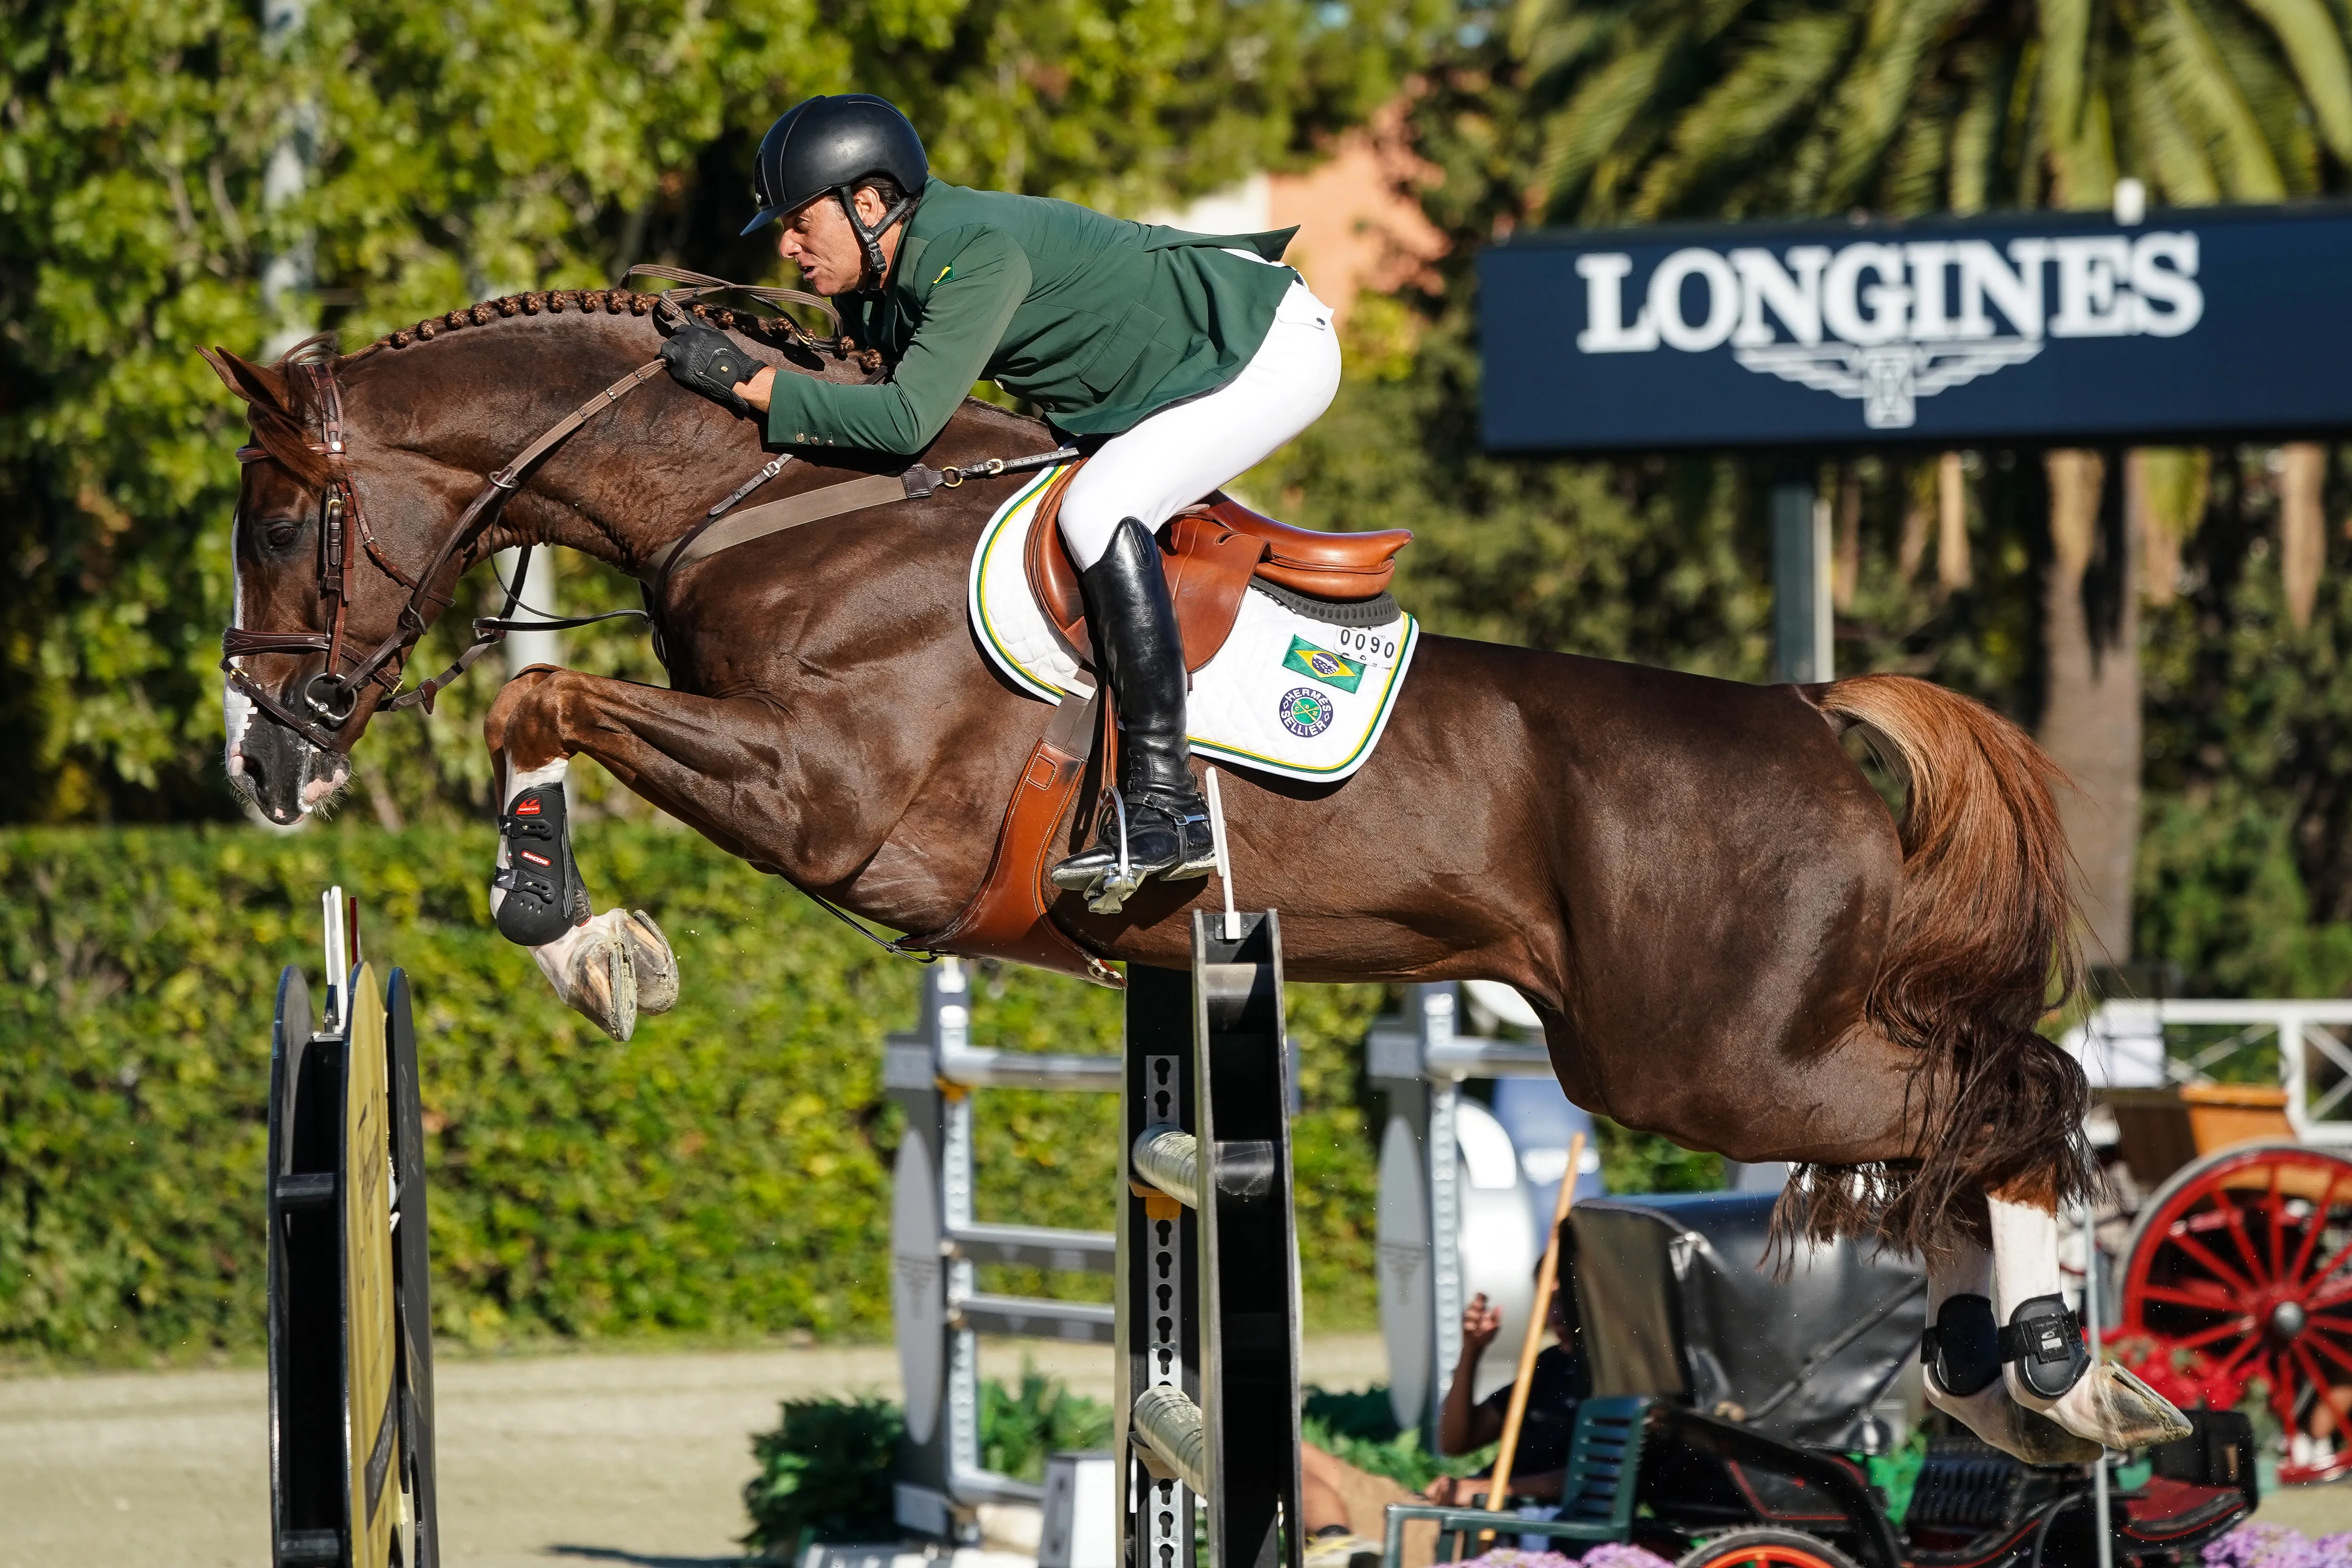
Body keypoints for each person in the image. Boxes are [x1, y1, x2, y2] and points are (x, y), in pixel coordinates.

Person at [657, 94, 1343, 913]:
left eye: (802, 222)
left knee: (1098, 510)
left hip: (1263, 350)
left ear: (867, 204)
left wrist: (748, 383)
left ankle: (1168, 804)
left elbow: (908, 421)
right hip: (1163, 381)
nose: (787, 244)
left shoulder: (972, 249)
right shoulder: (881, 278)